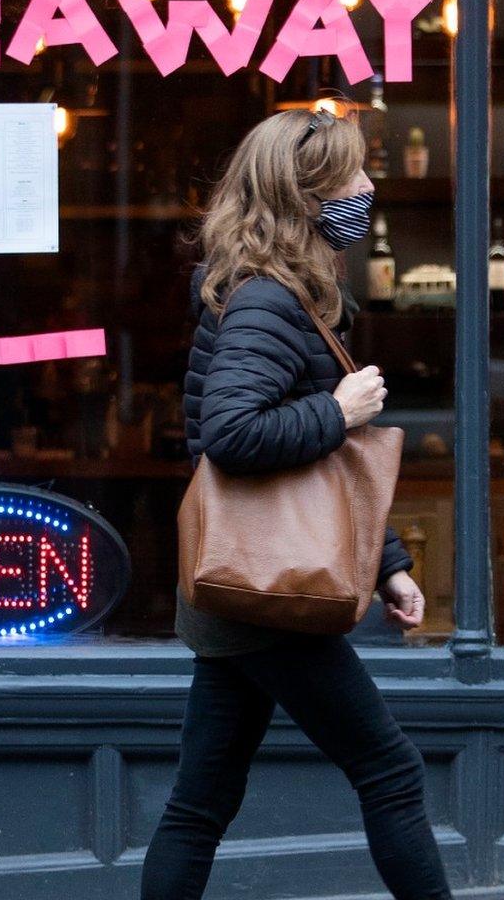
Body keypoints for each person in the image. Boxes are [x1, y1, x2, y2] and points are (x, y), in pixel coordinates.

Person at [140, 108, 453, 900]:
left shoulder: (282, 296)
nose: (367, 187)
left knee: (201, 803)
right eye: (351, 176)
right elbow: (234, 433)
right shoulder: (266, 303)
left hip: (249, 586)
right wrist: (340, 411)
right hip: (269, 593)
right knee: (390, 771)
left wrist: (385, 566)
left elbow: (316, 475)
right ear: (306, 197)